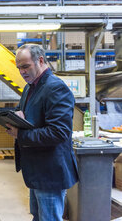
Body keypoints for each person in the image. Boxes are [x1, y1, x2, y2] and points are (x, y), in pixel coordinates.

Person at [5, 44, 79, 221]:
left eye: (25, 66)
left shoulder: (55, 88)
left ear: (40, 60)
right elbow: (27, 112)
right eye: (19, 68)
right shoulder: (30, 87)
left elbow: (58, 133)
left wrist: (20, 134)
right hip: (37, 170)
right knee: (39, 217)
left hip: (50, 172)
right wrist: (15, 115)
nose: (22, 72)